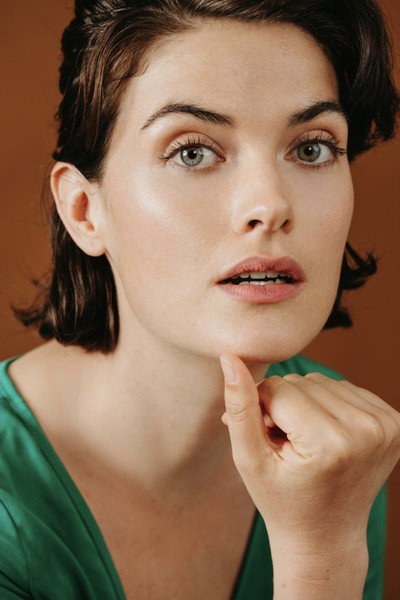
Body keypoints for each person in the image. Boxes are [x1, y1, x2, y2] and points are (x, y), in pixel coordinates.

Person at [1, 0, 399, 598]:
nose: (270, 204)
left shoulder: (342, 448)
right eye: (192, 152)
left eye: (312, 147)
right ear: (84, 210)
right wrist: (320, 562)